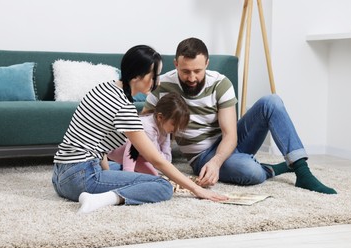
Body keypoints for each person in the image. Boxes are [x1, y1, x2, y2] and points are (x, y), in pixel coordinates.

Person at [143, 37, 337, 194]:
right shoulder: (162, 86)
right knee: (250, 172)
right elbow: (144, 124)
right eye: (185, 71)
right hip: (200, 155)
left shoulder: (220, 83)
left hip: (229, 143)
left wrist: (217, 162)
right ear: (176, 64)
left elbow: (230, 135)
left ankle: (302, 171)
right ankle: (271, 169)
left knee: (272, 102)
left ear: (207, 64)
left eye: (197, 71)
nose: (192, 78)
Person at [52, 45, 228, 214]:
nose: (157, 82)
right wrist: (197, 190)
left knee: (124, 168)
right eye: (154, 76)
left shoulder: (103, 88)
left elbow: (100, 147)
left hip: (60, 177)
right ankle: (104, 198)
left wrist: (108, 175)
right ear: (137, 76)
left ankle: (103, 189)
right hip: (81, 179)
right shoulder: (124, 108)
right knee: (162, 186)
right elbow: (157, 160)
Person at [107, 92, 190, 175]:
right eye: (174, 124)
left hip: (139, 155)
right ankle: (127, 173)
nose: (176, 129)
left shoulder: (165, 129)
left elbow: (166, 159)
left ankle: (124, 171)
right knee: (135, 142)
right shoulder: (147, 127)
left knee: (154, 176)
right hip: (115, 150)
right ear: (160, 117)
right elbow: (155, 156)